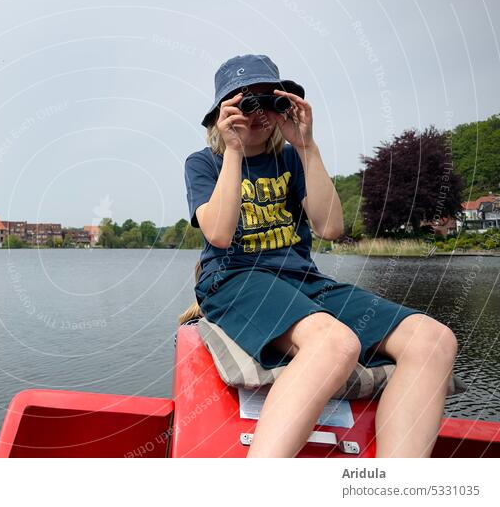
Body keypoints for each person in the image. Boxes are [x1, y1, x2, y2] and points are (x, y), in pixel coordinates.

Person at [184, 54, 458, 458]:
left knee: (434, 341)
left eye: (268, 100)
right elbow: (220, 235)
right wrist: (235, 151)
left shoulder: (292, 159)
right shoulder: (204, 163)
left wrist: (307, 146)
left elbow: (330, 227)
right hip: (234, 278)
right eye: (245, 103)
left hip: (303, 280)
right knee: (336, 344)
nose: (257, 113)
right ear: (221, 113)